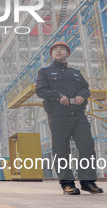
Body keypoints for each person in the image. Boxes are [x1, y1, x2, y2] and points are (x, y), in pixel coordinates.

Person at [36, 41, 103, 195]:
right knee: (61, 150)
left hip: (78, 115)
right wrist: (58, 96)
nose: (58, 51)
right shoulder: (45, 72)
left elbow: (86, 89)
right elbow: (40, 90)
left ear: (68, 53)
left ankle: (87, 182)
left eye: (62, 49)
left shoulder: (75, 73)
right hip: (58, 114)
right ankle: (67, 184)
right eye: (55, 50)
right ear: (52, 54)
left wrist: (81, 95)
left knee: (87, 147)